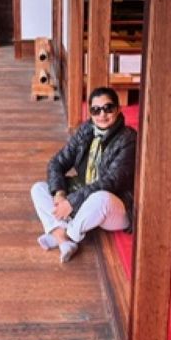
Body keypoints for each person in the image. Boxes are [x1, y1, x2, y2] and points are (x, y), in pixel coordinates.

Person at [31, 86, 137, 263]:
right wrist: (59, 193)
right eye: (96, 110)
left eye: (108, 108)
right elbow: (57, 162)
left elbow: (111, 182)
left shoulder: (128, 138)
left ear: (118, 109)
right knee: (39, 189)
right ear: (90, 112)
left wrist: (71, 202)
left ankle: (62, 234)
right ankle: (64, 240)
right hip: (83, 194)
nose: (102, 114)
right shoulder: (86, 131)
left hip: (116, 204)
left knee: (100, 198)